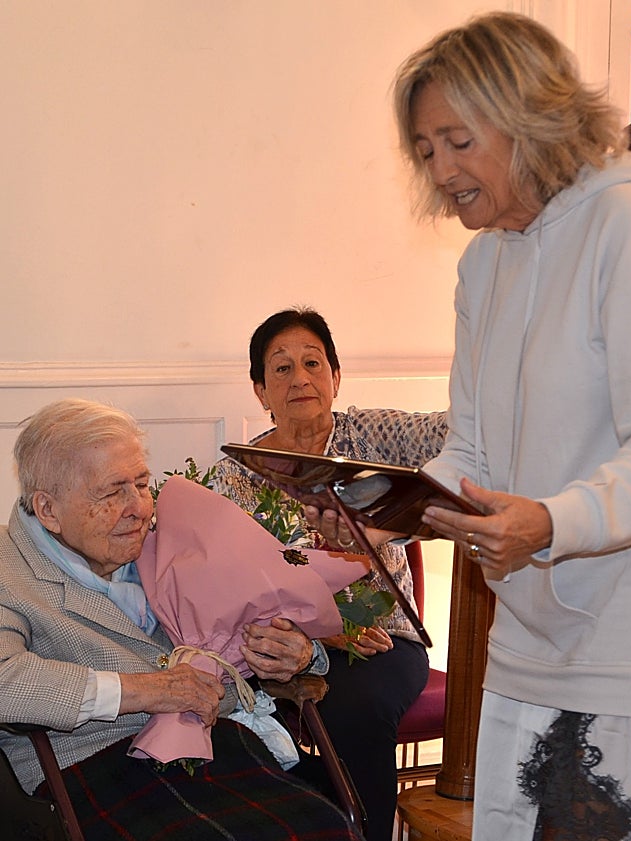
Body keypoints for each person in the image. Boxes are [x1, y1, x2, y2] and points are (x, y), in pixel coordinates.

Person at [314, 12, 631, 841]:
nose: (439, 168)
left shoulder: (630, 223)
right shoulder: (484, 261)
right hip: (531, 636)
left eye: (457, 140)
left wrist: (550, 521)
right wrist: (379, 508)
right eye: (425, 149)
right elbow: (475, 449)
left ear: (529, 120)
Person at [0, 398, 365, 841]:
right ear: (49, 509)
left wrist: (298, 654)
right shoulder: (9, 571)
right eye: (113, 492)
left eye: (140, 484)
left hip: (218, 744)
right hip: (87, 767)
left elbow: (252, 624)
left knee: (325, 827)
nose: (138, 508)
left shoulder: (167, 542)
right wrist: (148, 691)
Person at [211, 306, 447, 841]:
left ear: (336, 378)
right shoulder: (237, 473)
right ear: (259, 391)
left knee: (352, 709)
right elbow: (232, 586)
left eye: (313, 363)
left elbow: (451, 440)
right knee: (229, 719)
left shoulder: (368, 435)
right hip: (274, 646)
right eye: (282, 368)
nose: (300, 379)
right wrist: (324, 631)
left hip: (383, 642)